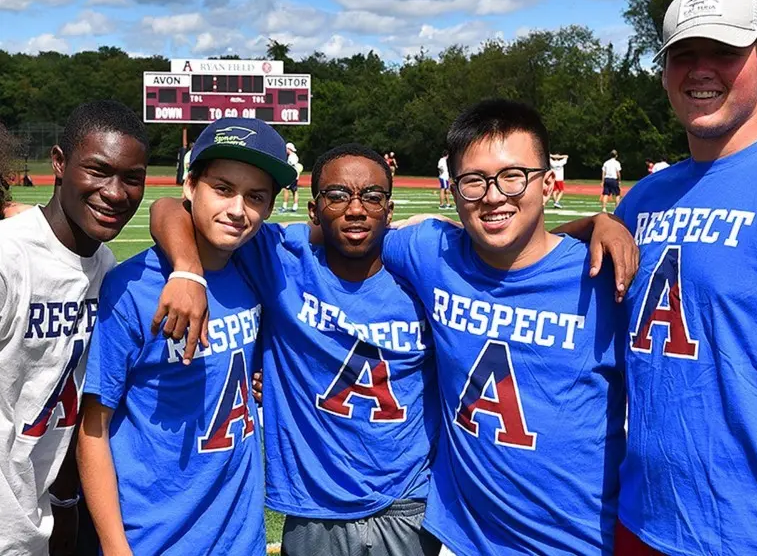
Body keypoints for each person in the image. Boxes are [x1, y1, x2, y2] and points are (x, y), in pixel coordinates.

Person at [612, 0, 757, 556]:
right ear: (663, 74)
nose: (700, 69)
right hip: (640, 519)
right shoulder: (643, 200)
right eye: (683, 54)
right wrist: (592, 224)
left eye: (725, 52)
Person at [149, 144, 442, 556]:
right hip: (315, 507)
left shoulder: (422, 273)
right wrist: (187, 269)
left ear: (389, 210)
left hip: (406, 502)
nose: (356, 208)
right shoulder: (282, 259)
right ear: (313, 209)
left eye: (372, 197)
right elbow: (168, 207)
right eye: (338, 196)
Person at [380, 99, 628, 555]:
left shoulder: (604, 276)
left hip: (575, 541)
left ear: (547, 182)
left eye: (513, 176)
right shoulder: (430, 252)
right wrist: (198, 265)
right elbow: (341, 241)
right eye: (474, 181)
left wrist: (600, 222)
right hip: (461, 538)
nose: (494, 195)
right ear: (453, 189)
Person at [76, 118, 296, 555]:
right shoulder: (133, 287)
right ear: (190, 185)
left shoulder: (255, 264)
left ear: (270, 206)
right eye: (223, 188)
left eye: (256, 197)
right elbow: (93, 429)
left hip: (239, 537)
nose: (237, 209)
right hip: (154, 537)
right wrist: (117, 548)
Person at [0, 100, 148, 556]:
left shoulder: (104, 267)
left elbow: (65, 393)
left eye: (132, 178)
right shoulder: (10, 259)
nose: (116, 192)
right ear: (59, 164)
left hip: (38, 521)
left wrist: (65, 503)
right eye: (98, 171)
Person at [280, 141, 301, 212]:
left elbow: (291, 166)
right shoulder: (293, 156)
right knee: (294, 191)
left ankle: (285, 206)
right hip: (294, 176)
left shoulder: (292, 157)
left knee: (286, 190)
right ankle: (295, 206)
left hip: (292, 176)